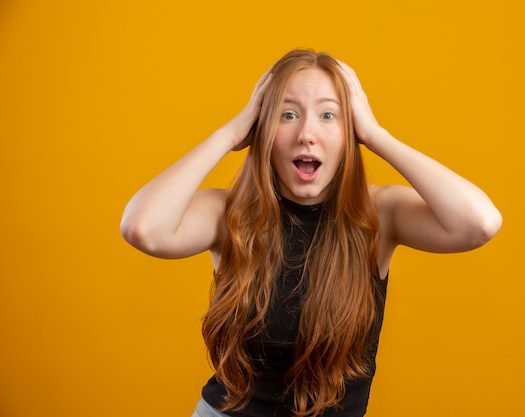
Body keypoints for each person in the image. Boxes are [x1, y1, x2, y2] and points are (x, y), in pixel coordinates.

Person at [120, 49, 502, 417]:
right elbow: (144, 228)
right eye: (287, 115)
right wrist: (229, 135)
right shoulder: (229, 212)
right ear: (263, 131)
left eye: (328, 116)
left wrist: (375, 134)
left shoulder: (378, 214)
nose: (306, 133)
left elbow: (479, 223)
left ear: (349, 132)